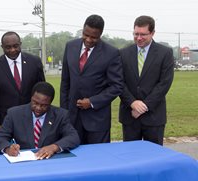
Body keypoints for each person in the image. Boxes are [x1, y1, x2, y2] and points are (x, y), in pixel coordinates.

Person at [60, 14, 123, 144]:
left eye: (94, 37)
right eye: (86, 34)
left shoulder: (112, 53)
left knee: (98, 159)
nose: (88, 39)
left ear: (101, 34)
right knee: (74, 158)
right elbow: (65, 82)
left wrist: (92, 102)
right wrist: (64, 112)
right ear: (83, 29)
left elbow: (117, 86)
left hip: (97, 121)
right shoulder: (70, 46)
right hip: (72, 118)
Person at [119, 15, 174, 145]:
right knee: (131, 157)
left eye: (143, 34)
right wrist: (132, 103)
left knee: (154, 159)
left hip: (154, 117)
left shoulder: (165, 53)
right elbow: (119, 82)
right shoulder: (123, 53)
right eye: (136, 34)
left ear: (153, 33)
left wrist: (143, 107)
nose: (139, 38)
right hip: (130, 116)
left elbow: (164, 83)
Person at [0, 82, 80, 159]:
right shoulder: (14, 114)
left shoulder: (61, 115)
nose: (38, 108)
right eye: (35, 102)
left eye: (44, 105)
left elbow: (73, 137)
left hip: (50, 161)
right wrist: (8, 148)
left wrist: (54, 147)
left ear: (50, 103)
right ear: (31, 98)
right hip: (23, 162)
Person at [0, 31, 45, 134]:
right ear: (2, 47)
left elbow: (42, 91)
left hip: (33, 117)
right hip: (7, 120)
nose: (12, 50)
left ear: (20, 44)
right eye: (8, 47)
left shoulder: (34, 62)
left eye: (16, 46)